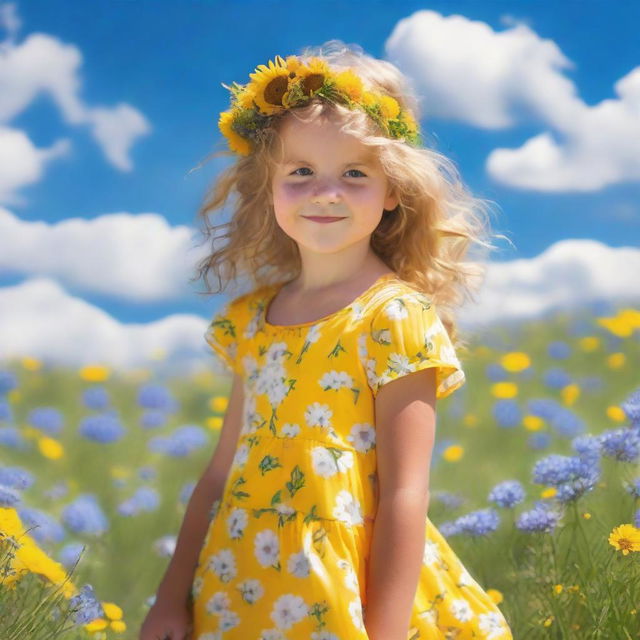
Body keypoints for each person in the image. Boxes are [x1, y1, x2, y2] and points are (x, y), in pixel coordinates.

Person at [139, 40, 513, 640]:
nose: (326, 192)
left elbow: (404, 493)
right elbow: (216, 476)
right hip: (240, 582)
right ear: (268, 186)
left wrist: (385, 632)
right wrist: (169, 598)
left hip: (353, 594)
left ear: (393, 191)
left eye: (355, 174)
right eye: (301, 172)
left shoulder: (393, 316)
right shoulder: (251, 320)